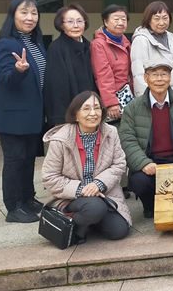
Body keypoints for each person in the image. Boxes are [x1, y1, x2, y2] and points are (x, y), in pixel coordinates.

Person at [119, 60, 173, 218]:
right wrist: (143, 163)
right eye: (154, 74)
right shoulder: (132, 108)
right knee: (139, 182)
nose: (159, 79)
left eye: (164, 74)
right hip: (151, 162)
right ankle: (151, 206)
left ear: (170, 77)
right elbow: (127, 139)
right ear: (146, 78)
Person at [42, 91, 131, 243]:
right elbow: (49, 176)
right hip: (71, 197)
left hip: (103, 192)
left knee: (118, 230)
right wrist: (82, 189)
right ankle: (77, 228)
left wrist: (98, 184)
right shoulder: (60, 139)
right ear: (75, 115)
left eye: (97, 108)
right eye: (86, 109)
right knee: (95, 207)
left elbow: (119, 163)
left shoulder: (111, 132)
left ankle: (90, 220)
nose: (93, 113)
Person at [0, 0, 47, 223]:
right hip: (12, 115)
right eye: (24, 12)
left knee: (28, 158)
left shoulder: (37, 43)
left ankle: (27, 198)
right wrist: (18, 70)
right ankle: (14, 207)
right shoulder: (6, 43)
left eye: (34, 13)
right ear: (13, 15)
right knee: (15, 160)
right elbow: (5, 78)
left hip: (32, 114)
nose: (30, 17)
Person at [43, 3, 97, 129]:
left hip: (90, 112)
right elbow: (56, 87)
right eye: (70, 21)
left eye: (79, 21)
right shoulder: (56, 48)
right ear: (61, 25)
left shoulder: (89, 46)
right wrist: (60, 118)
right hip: (68, 115)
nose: (76, 25)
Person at [130, 1, 173, 97]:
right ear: (148, 20)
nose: (162, 23)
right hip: (155, 97)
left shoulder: (172, 38)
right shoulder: (141, 40)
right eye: (156, 19)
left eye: (165, 18)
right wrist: (145, 100)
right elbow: (139, 75)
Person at [90, 4, 132, 122]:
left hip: (129, 96)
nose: (121, 23)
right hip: (115, 101)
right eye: (116, 19)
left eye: (124, 19)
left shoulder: (126, 42)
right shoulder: (98, 44)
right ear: (106, 22)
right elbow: (103, 75)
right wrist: (111, 102)